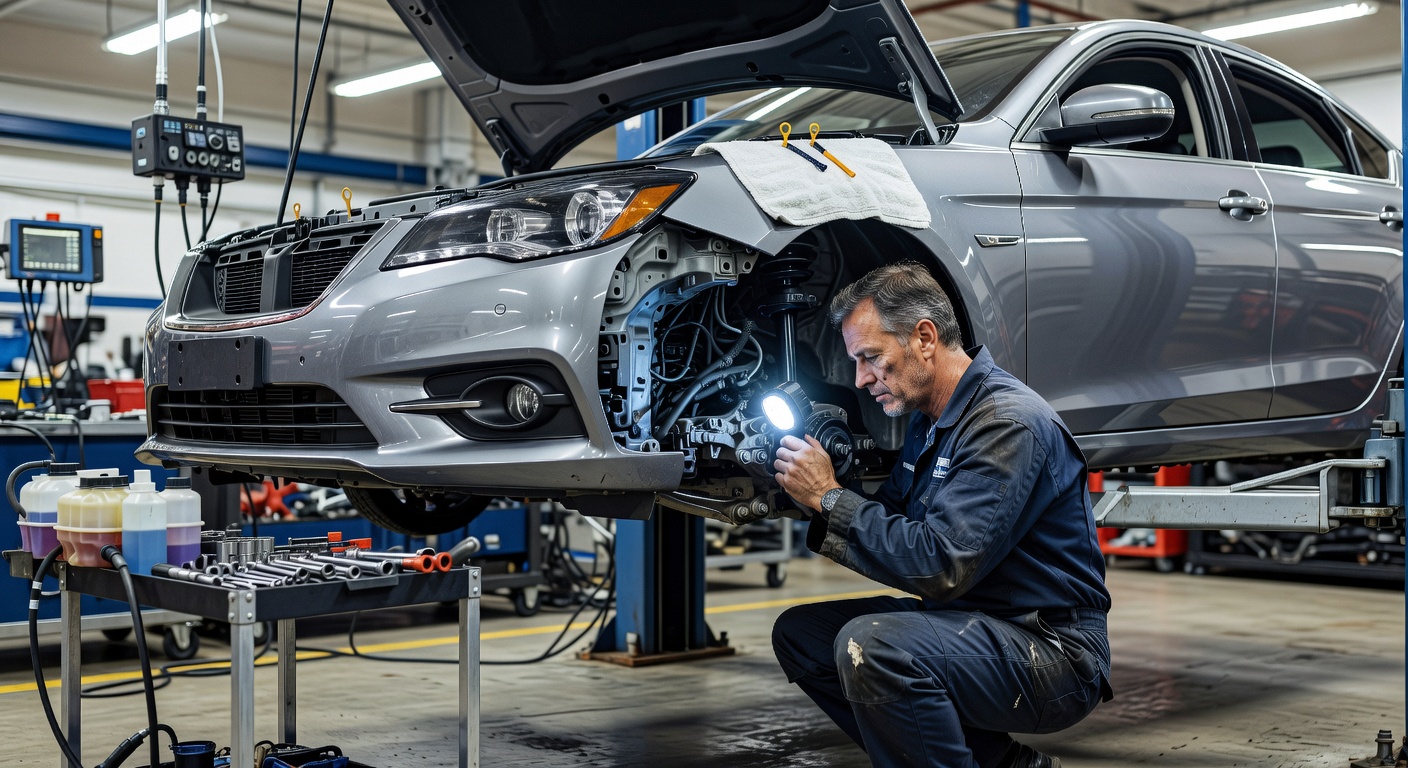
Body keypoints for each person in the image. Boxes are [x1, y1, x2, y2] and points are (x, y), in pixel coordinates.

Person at [771, 262, 1112, 768]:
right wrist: (812, 492)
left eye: (871, 358)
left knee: (876, 647)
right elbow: (888, 520)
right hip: (974, 624)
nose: (862, 378)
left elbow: (941, 565)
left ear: (924, 338)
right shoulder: (931, 419)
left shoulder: (1006, 425)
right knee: (802, 635)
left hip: (1051, 650)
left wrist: (829, 497)